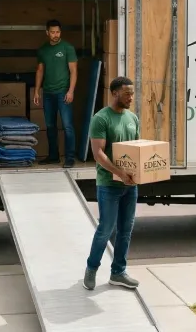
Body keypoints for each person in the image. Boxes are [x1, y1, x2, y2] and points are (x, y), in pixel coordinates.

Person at [83, 76, 141, 291]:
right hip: (109, 184)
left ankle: (118, 272)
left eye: (132, 94)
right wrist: (119, 172)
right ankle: (91, 269)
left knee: (126, 230)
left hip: (130, 186)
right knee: (106, 229)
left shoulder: (132, 118)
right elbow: (98, 154)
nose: (131, 98)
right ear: (115, 93)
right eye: (127, 94)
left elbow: (136, 151)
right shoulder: (101, 118)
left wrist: (137, 174)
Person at [32, 19, 78, 167]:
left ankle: (70, 158)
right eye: (52, 32)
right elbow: (39, 71)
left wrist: (71, 91)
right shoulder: (43, 50)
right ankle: (53, 156)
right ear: (47, 33)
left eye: (57, 32)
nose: (55, 35)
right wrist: (37, 91)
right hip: (48, 93)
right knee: (50, 125)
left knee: (67, 126)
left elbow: (74, 71)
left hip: (63, 92)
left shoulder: (67, 48)